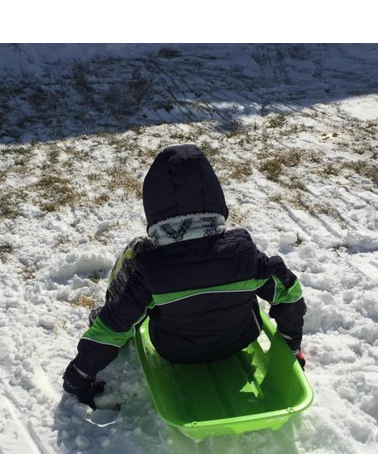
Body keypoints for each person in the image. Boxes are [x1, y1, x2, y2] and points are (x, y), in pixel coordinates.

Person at [63, 144, 307, 408]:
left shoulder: (151, 270)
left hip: (176, 350)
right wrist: (290, 346)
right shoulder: (245, 255)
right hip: (239, 340)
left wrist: (80, 373)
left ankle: (109, 304)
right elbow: (290, 296)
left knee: (136, 251)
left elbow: (114, 326)